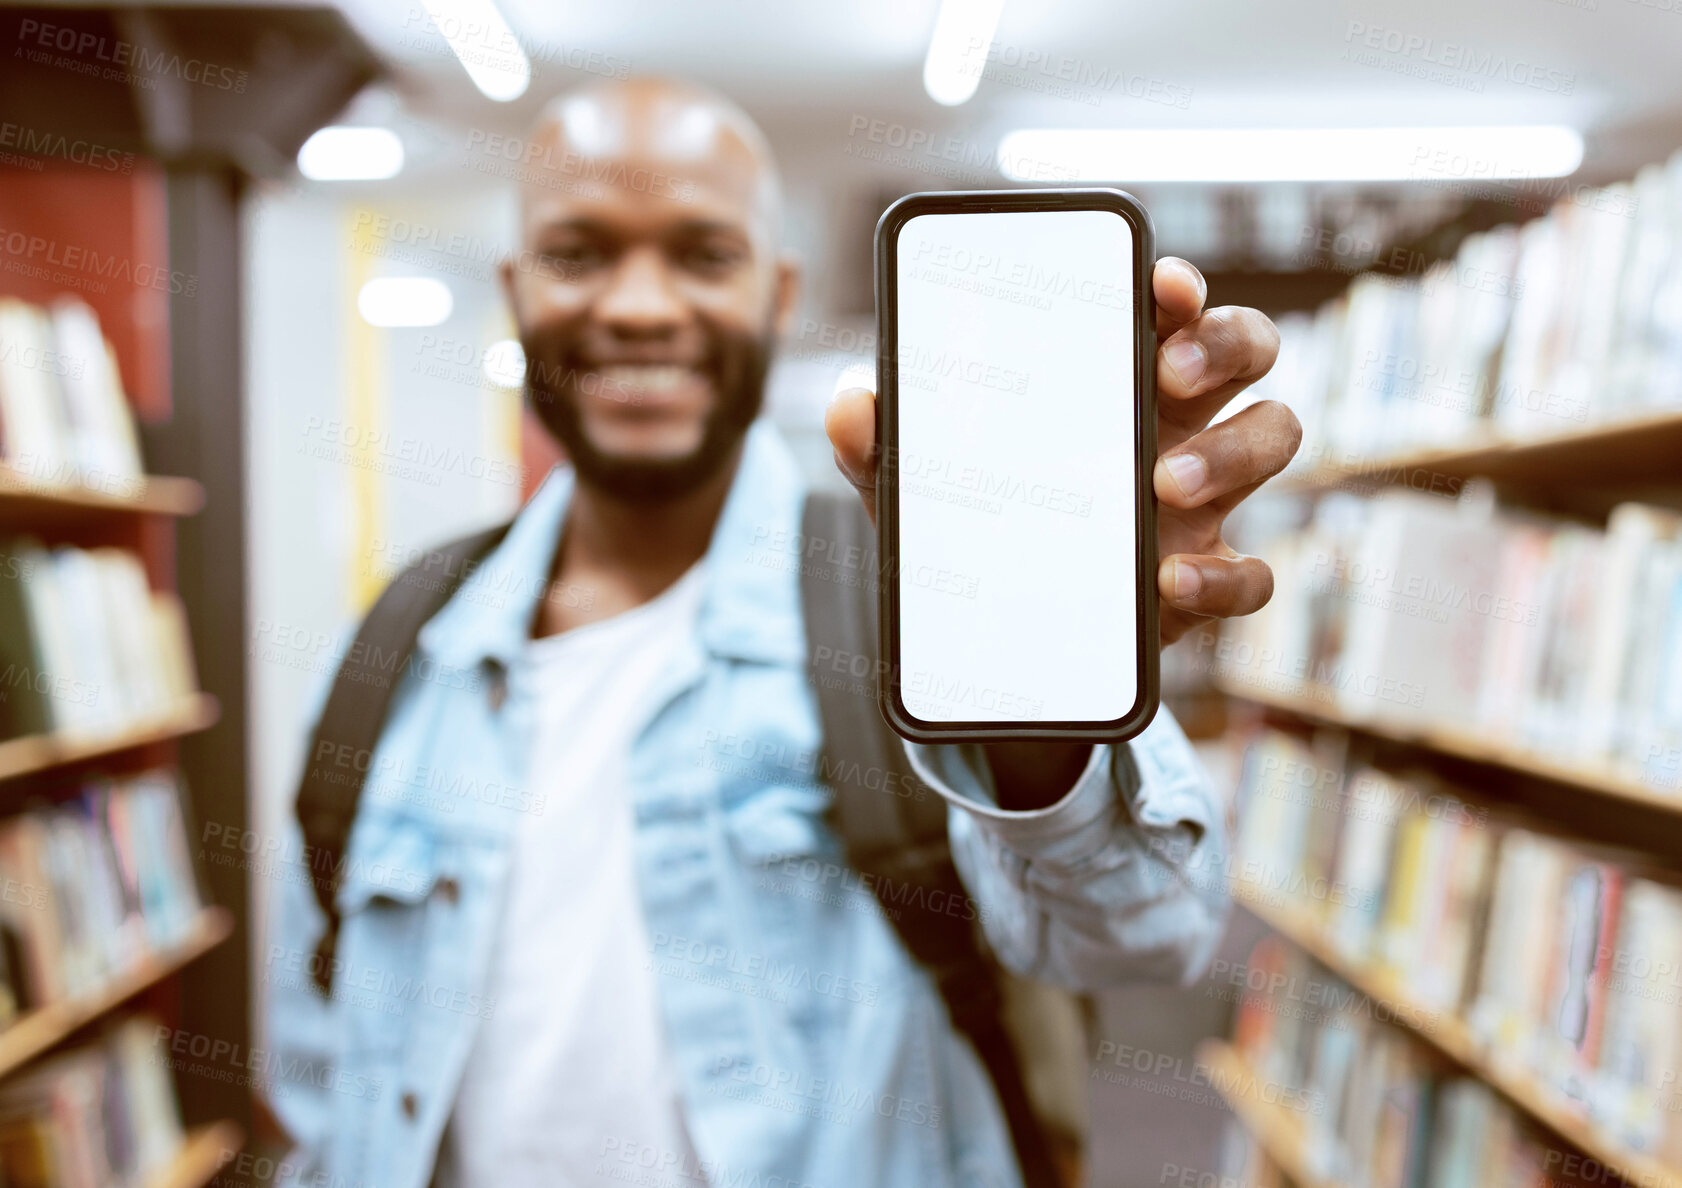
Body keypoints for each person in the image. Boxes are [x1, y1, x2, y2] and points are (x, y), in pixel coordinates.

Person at [263, 76, 1299, 1188]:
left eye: (704, 254)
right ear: (516, 289)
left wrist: (1041, 727)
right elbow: (324, 1093)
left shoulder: (899, 611)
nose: (640, 305)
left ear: (778, 291)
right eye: (578, 254)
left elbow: (1137, 939)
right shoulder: (395, 654)